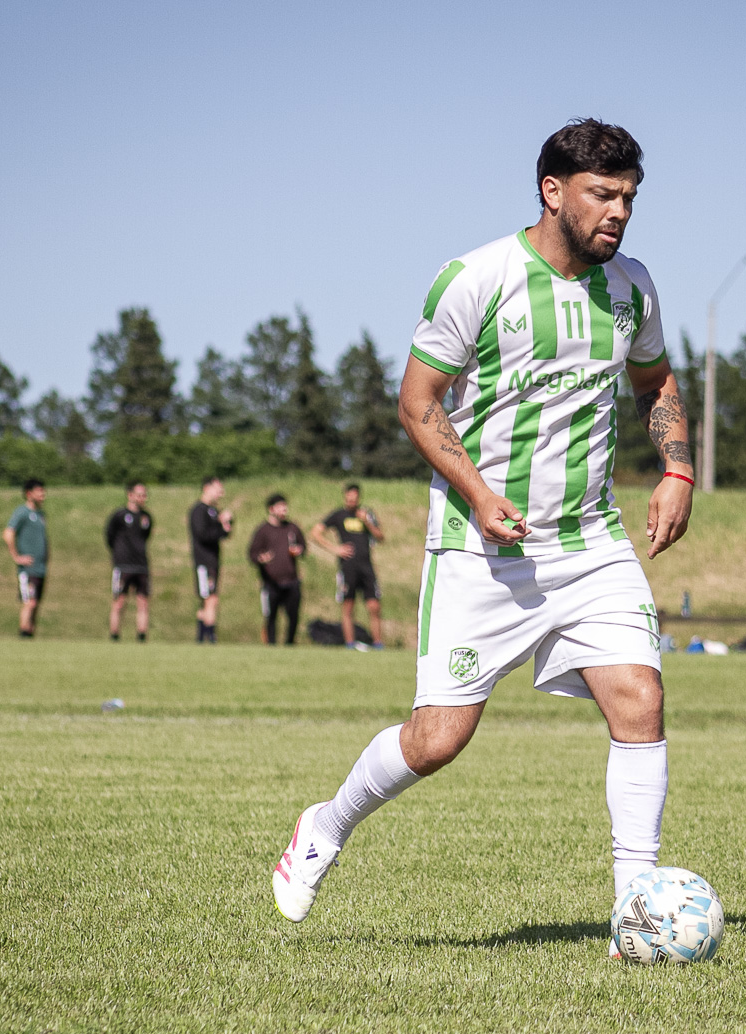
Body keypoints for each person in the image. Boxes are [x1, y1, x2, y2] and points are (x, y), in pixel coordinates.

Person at [270, 119, 695, 953]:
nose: (619, 213)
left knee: (640, 699)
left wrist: (677, 469)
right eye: (602, 195)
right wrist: (477, 491)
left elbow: (656, 380)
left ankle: (634, 916)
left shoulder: (632, 286)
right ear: (552, 192)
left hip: (590, 541)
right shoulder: (476, 279)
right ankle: (324, 826)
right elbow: (417, 402)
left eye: (629, 198)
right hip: (482, 549)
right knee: (437, 741)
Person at [311, 482, 386, 649]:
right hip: (348, 567)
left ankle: (378, 643)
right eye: (349, 497)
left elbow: (380, 537)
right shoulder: (339, 515)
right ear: (345, 496)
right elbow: (315, 533)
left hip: (366, 567)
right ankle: (350, 643)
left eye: (354, 497)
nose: (352, 500)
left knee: (374, 606)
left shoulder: (367, 514)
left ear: (359, 497)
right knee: (348, 605)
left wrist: (367, 522)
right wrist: (335, 549)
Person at [248, 493, 306, 645]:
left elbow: (303, 546)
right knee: (271, 616)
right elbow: (252, 554)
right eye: (280, 507)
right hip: (271, 583)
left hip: (291, 581)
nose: (284, 510)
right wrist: (261, 559)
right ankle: (271, 646)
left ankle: (290, 644)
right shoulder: (263, 531)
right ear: (271, 509)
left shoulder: (292, 528)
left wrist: (299, 550)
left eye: (285, 507)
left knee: (293, 616)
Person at [105, 480, 153, 642]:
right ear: (130, 495)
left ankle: (141, 636)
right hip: (123, 565)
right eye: (139, 495)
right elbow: (109, 536)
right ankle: (114, 635)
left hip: (142, 565)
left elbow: (146, 537)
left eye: (144, 495)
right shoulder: (119, 516)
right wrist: (119, 554)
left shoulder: (146, 517)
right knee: (119, 601)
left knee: (143, 602)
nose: (143, 498)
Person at [188, 476, 234, 643]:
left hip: (214, 561)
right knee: (210, 599)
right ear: (207, 488)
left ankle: (201, 638)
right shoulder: (198, 510)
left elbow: (222, 534)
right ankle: (210, 636)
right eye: (218, 489)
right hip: (203, 562)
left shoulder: (214, 511)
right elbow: (203, 534)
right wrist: (220, 524)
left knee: (207, 600)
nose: (221, 493)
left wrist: (226, 525)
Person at [3, 478, 48, 638]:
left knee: (36, 605)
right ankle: (23, 635)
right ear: (29, 494)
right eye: (39, 491)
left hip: (40, 568)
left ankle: (30, 638)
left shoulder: (41, 514)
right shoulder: (22, 512)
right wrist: (17, 557)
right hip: (28, 569)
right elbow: (8, 533)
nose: (43, 494)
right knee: (29, 602)